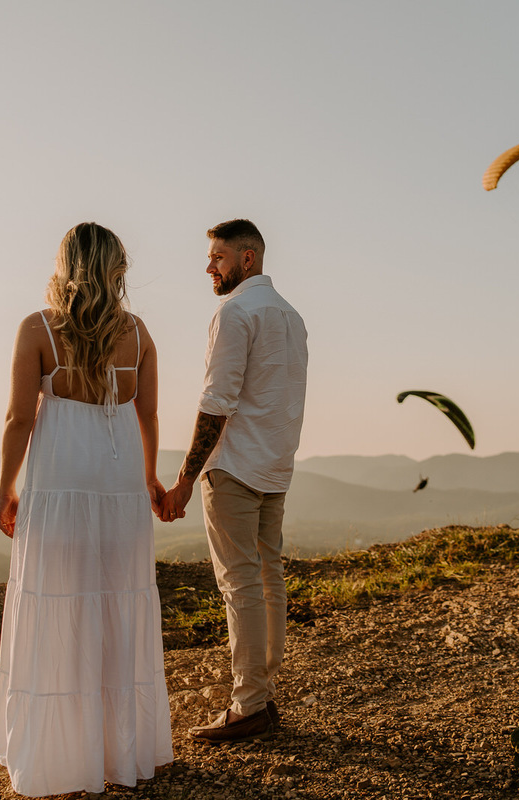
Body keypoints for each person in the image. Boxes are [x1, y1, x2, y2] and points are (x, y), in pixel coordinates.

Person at [0, 222, 173, 796]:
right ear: (117, 269)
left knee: (58, 607)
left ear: (65, 265)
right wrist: (149, 477)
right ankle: (118, 752)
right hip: (119, 490)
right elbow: (148, 416)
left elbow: (19, 419)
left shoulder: (38, 328)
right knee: (117, 609)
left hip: (59, 487)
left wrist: (6, 488)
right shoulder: (138, 334)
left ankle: (60, 755)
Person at [160, 219, 309, 744]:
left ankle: (249, 705)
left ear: (248, 259)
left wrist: (185, 479)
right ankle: (262, 696)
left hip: (235, 467)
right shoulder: (292, 316)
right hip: (275, 467)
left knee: (240, 583)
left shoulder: (235, 312)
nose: (209, 267)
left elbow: (216, 401)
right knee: (268, 578)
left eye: (218, 258)